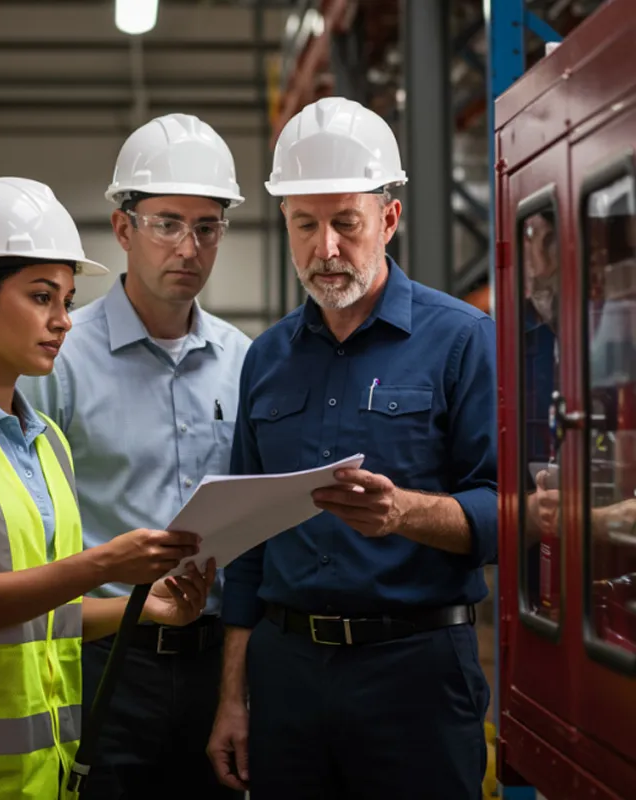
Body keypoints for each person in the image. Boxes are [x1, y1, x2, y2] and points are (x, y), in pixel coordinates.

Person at [206, 97, 498, 799]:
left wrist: (405, 514)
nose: (326, 249)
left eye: (346, 223)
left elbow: (503, 512)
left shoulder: (461, 340)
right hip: (287, 676)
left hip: (417, 674)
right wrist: (233, 697)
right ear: (285, 221)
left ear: (388, 220)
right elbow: (245, 544)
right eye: (305, 225)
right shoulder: (266, 358)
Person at [0, 176, 215, 799]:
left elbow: (46, 619)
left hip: (50, 776)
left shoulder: (47, 442)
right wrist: (106, 564)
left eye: (66, 300)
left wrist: (144, 607)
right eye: (42, 297)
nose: (63, 321)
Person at [19, 114, 251, 798]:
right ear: (123, 230)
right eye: (167, 224)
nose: (189, 247)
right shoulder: (59, 361)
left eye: (207, 227)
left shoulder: (244, 361)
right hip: (104, 657)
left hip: (213, 661)